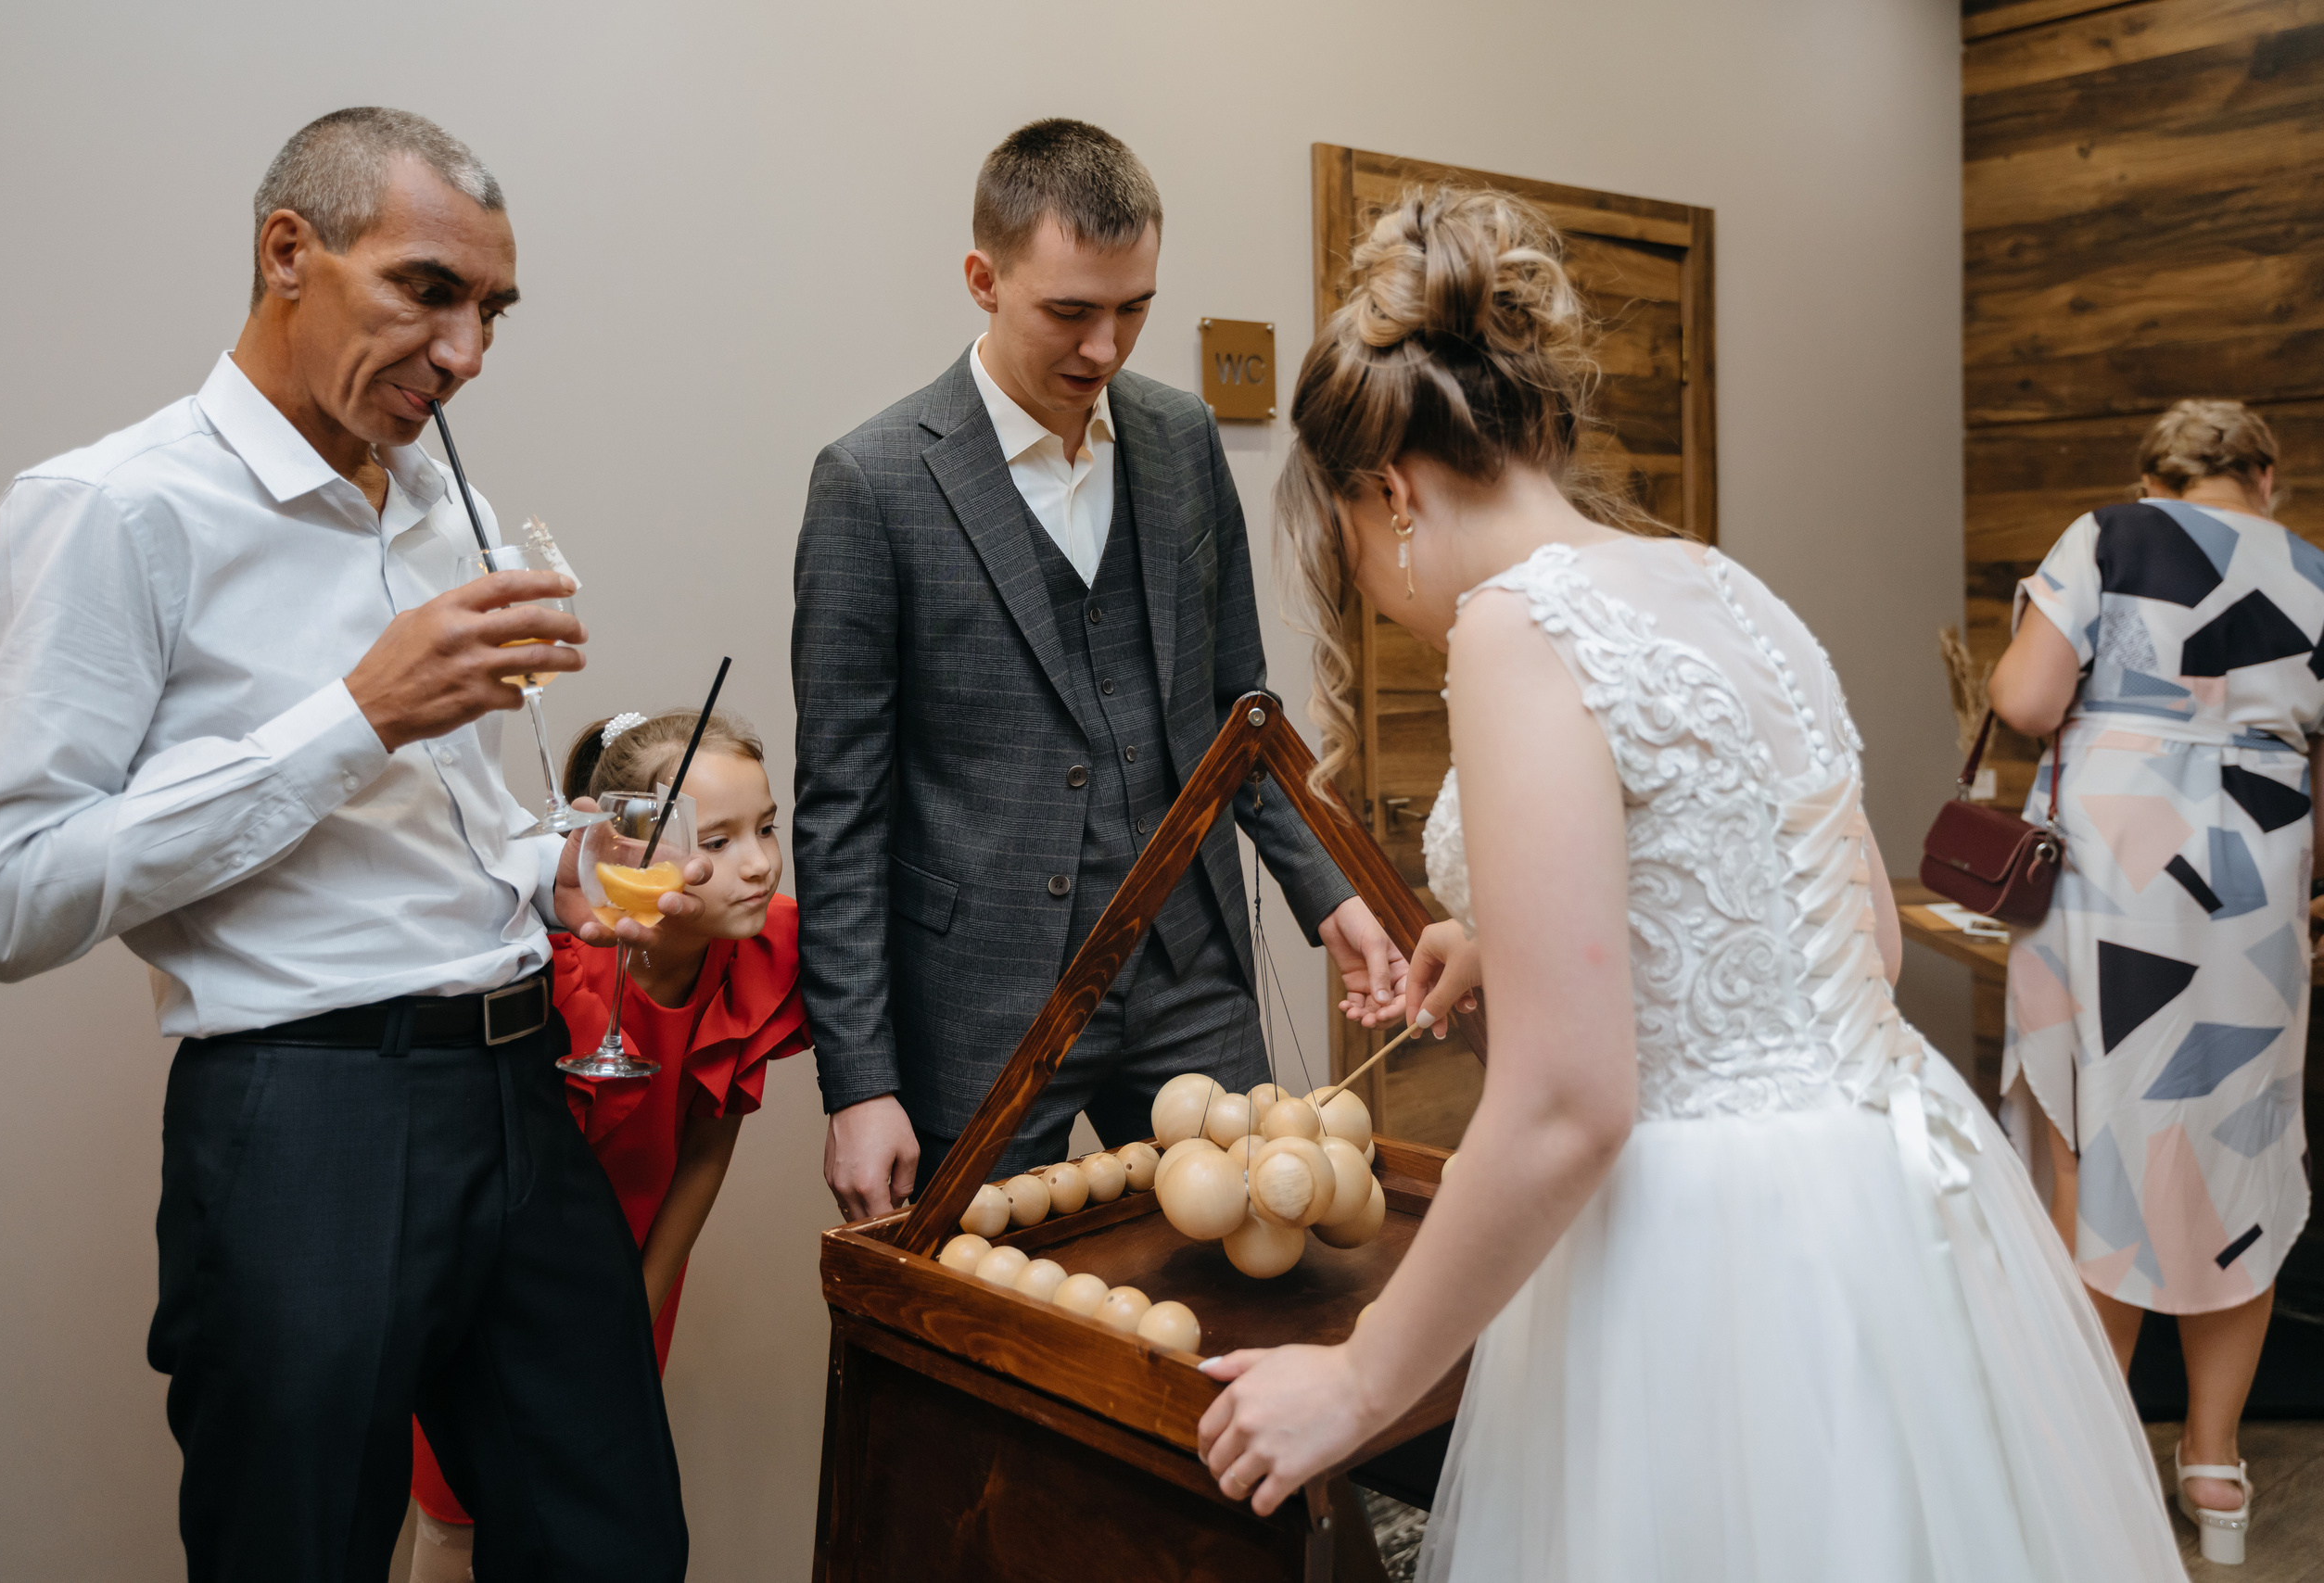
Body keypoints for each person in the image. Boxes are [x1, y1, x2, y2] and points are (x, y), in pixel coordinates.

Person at [1192, 188, 2189, 1581]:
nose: (1372, 587)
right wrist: (1519, 951)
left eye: (1352, 548)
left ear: (1391, 496)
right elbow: (1842, 954)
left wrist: (1357, 1386)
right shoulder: (1719, 586)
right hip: (1897, 1205)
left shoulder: (1513, 630)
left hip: (1710, 1269)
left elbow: (1568, 1100)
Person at [0, 108, 696, 1580]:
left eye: (492, 309)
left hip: (519, 1091)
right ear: (288, 253)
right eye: (428, 289)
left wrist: (558, 864)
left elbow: (465, 809)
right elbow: (3, 894)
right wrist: (354, 717)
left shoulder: (447, 500)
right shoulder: (112, 510)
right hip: (302, 1121)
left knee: (617, 1549)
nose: (469, 350)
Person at [793, 118, 1403, 1215]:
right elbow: (842, 809)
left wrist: (1328, 889)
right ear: (983, 278)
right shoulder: (872, 483)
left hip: (1190, 975)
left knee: (1253, 1263)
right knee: (989, 1327)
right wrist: (860, 1077)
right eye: (1069, 312)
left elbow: (1239, 714)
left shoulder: (1179, 437)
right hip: (981, 1003)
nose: (1105, 349)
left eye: (1134, 310)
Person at [1987, 398, 2315, 1564]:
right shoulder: (2311, 569)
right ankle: (2214, 1469)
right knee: (2239, 1144)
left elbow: (2025, 702)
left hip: (2115, 879)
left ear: (2154, 476)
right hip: (2257, 879)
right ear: (2265, 475)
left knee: (2098, 1142)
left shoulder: (2109, 536)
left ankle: (2092, 1461)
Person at [407, 707, 807, 1582]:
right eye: (720, 837)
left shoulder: (757, 953)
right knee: (462, 1517)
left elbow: (708, 1146)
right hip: (493, 1295)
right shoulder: (550, 974)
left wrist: (636, 1306)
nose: (759, 863)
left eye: (767, 829)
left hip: (634, 1281)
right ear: (624, 847)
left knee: (589, 1525)